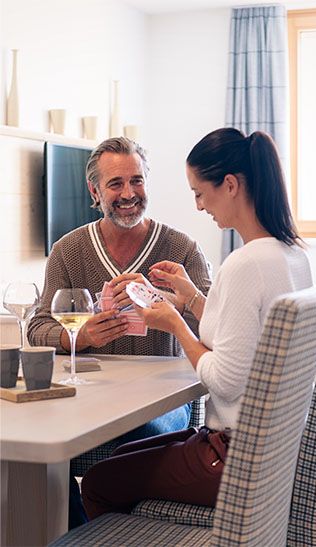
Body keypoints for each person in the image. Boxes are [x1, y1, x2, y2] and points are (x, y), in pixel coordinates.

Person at [81, 127, 313, 519]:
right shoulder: (291, 255)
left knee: (100, 481)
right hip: (274, 448)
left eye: (199, 193)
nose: (200, 206)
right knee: (122, 456)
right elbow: (241, 337)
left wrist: (174, 323)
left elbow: (223, 379)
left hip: (234, 458)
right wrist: (189, 299)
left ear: (230, 185)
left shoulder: (245, 264)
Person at [28, 136, 211, 528]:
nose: (129, 193)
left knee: (135, 440)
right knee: (43, 453)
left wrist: (168, 302)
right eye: (115, 184)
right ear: (94, 190)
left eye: (137, 181)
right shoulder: (68, 250)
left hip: (164, 401)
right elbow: (38, 326)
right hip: (93, 399)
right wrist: (80, 335)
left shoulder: (181, 248)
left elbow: (214, 326)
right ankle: (79, 533)